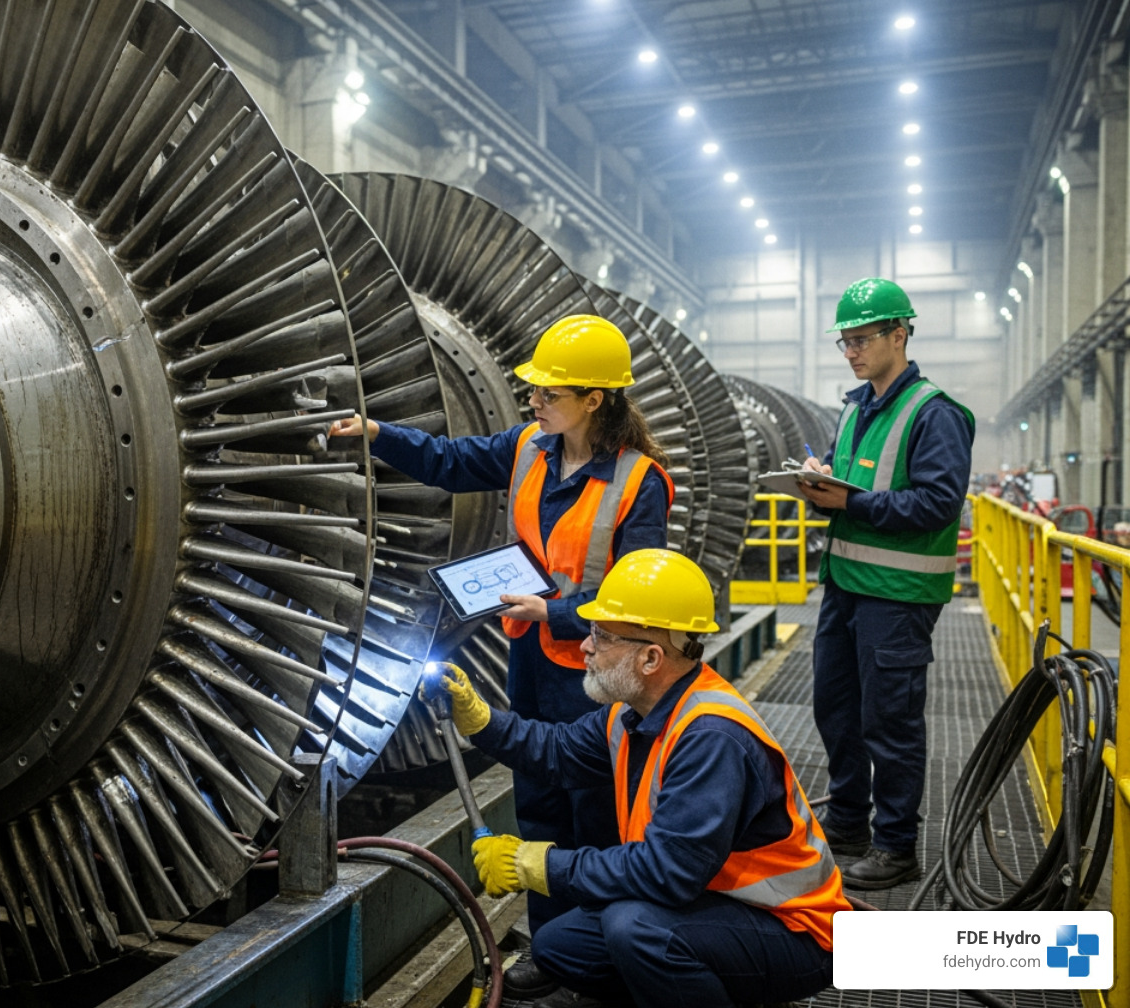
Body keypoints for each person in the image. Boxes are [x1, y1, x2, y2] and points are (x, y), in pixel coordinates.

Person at [331, 314, 673, 999]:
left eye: (548, 393)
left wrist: (555, 609)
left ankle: (598, 950)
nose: (534, 402)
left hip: (597, 669)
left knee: (594, 814)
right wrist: (376, 435)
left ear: (594, 401)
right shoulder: (529, 447)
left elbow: (638, 595)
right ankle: (554, 948)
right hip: (531, 659)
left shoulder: (641, 481)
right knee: (540, 801)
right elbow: (449, 463)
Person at [440, 549, 848, 1008]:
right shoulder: (632, 712)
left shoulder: (711, 738)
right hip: (713, 903)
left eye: (601, 635)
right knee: (559, 945)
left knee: (634, 928)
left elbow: (665, 873)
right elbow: (557, 751)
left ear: (651, 658)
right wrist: (479, 719)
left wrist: (538, 865)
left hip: (793, 931)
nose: (585, 647)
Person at [797, 277, 974, 890]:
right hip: (845, 587)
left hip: (897, 598)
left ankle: (896, 844)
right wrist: (821, 487)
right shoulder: (854, 408)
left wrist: (854, 501)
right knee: (836, 709)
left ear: (899, 334)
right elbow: (854, 495)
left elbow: (937, 504)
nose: (850, 350)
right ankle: (847, 823)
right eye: (844, 341)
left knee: (889, 722)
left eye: (862, 338)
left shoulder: (935, 413)